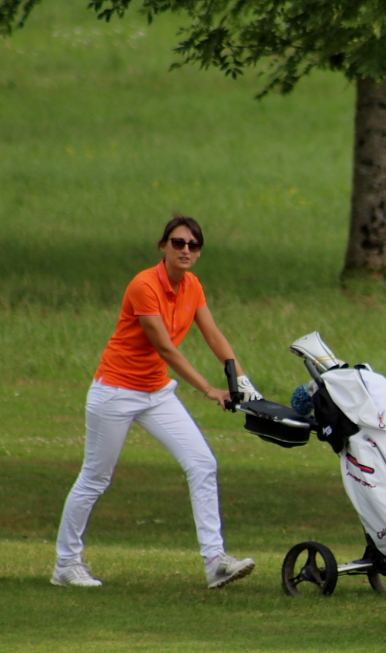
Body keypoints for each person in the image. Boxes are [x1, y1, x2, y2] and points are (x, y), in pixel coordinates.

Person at [52, 215, 261, 589]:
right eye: (178, 243)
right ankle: (65, 565)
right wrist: (209, 389)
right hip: (115, 392)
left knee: (202, 463)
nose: (185, 250)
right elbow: (165, 348)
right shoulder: (144, 285)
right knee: (95, 478)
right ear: (163, 246)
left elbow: (213, 335)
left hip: (156, 393)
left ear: (199, 252)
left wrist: (242, 381)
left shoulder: (192, 285)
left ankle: (215, 561)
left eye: (193, 245)